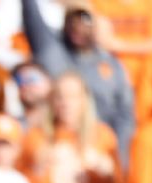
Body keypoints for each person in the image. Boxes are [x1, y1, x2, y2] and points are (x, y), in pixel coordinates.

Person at [21, 0, 135, 153]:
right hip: (55, 141)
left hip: (98, 145)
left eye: (85, 20)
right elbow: (31, 16)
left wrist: (120, 156)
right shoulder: (51, 51)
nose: (79, 26)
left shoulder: (111, 65)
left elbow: (125, 116)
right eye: (72, 20)